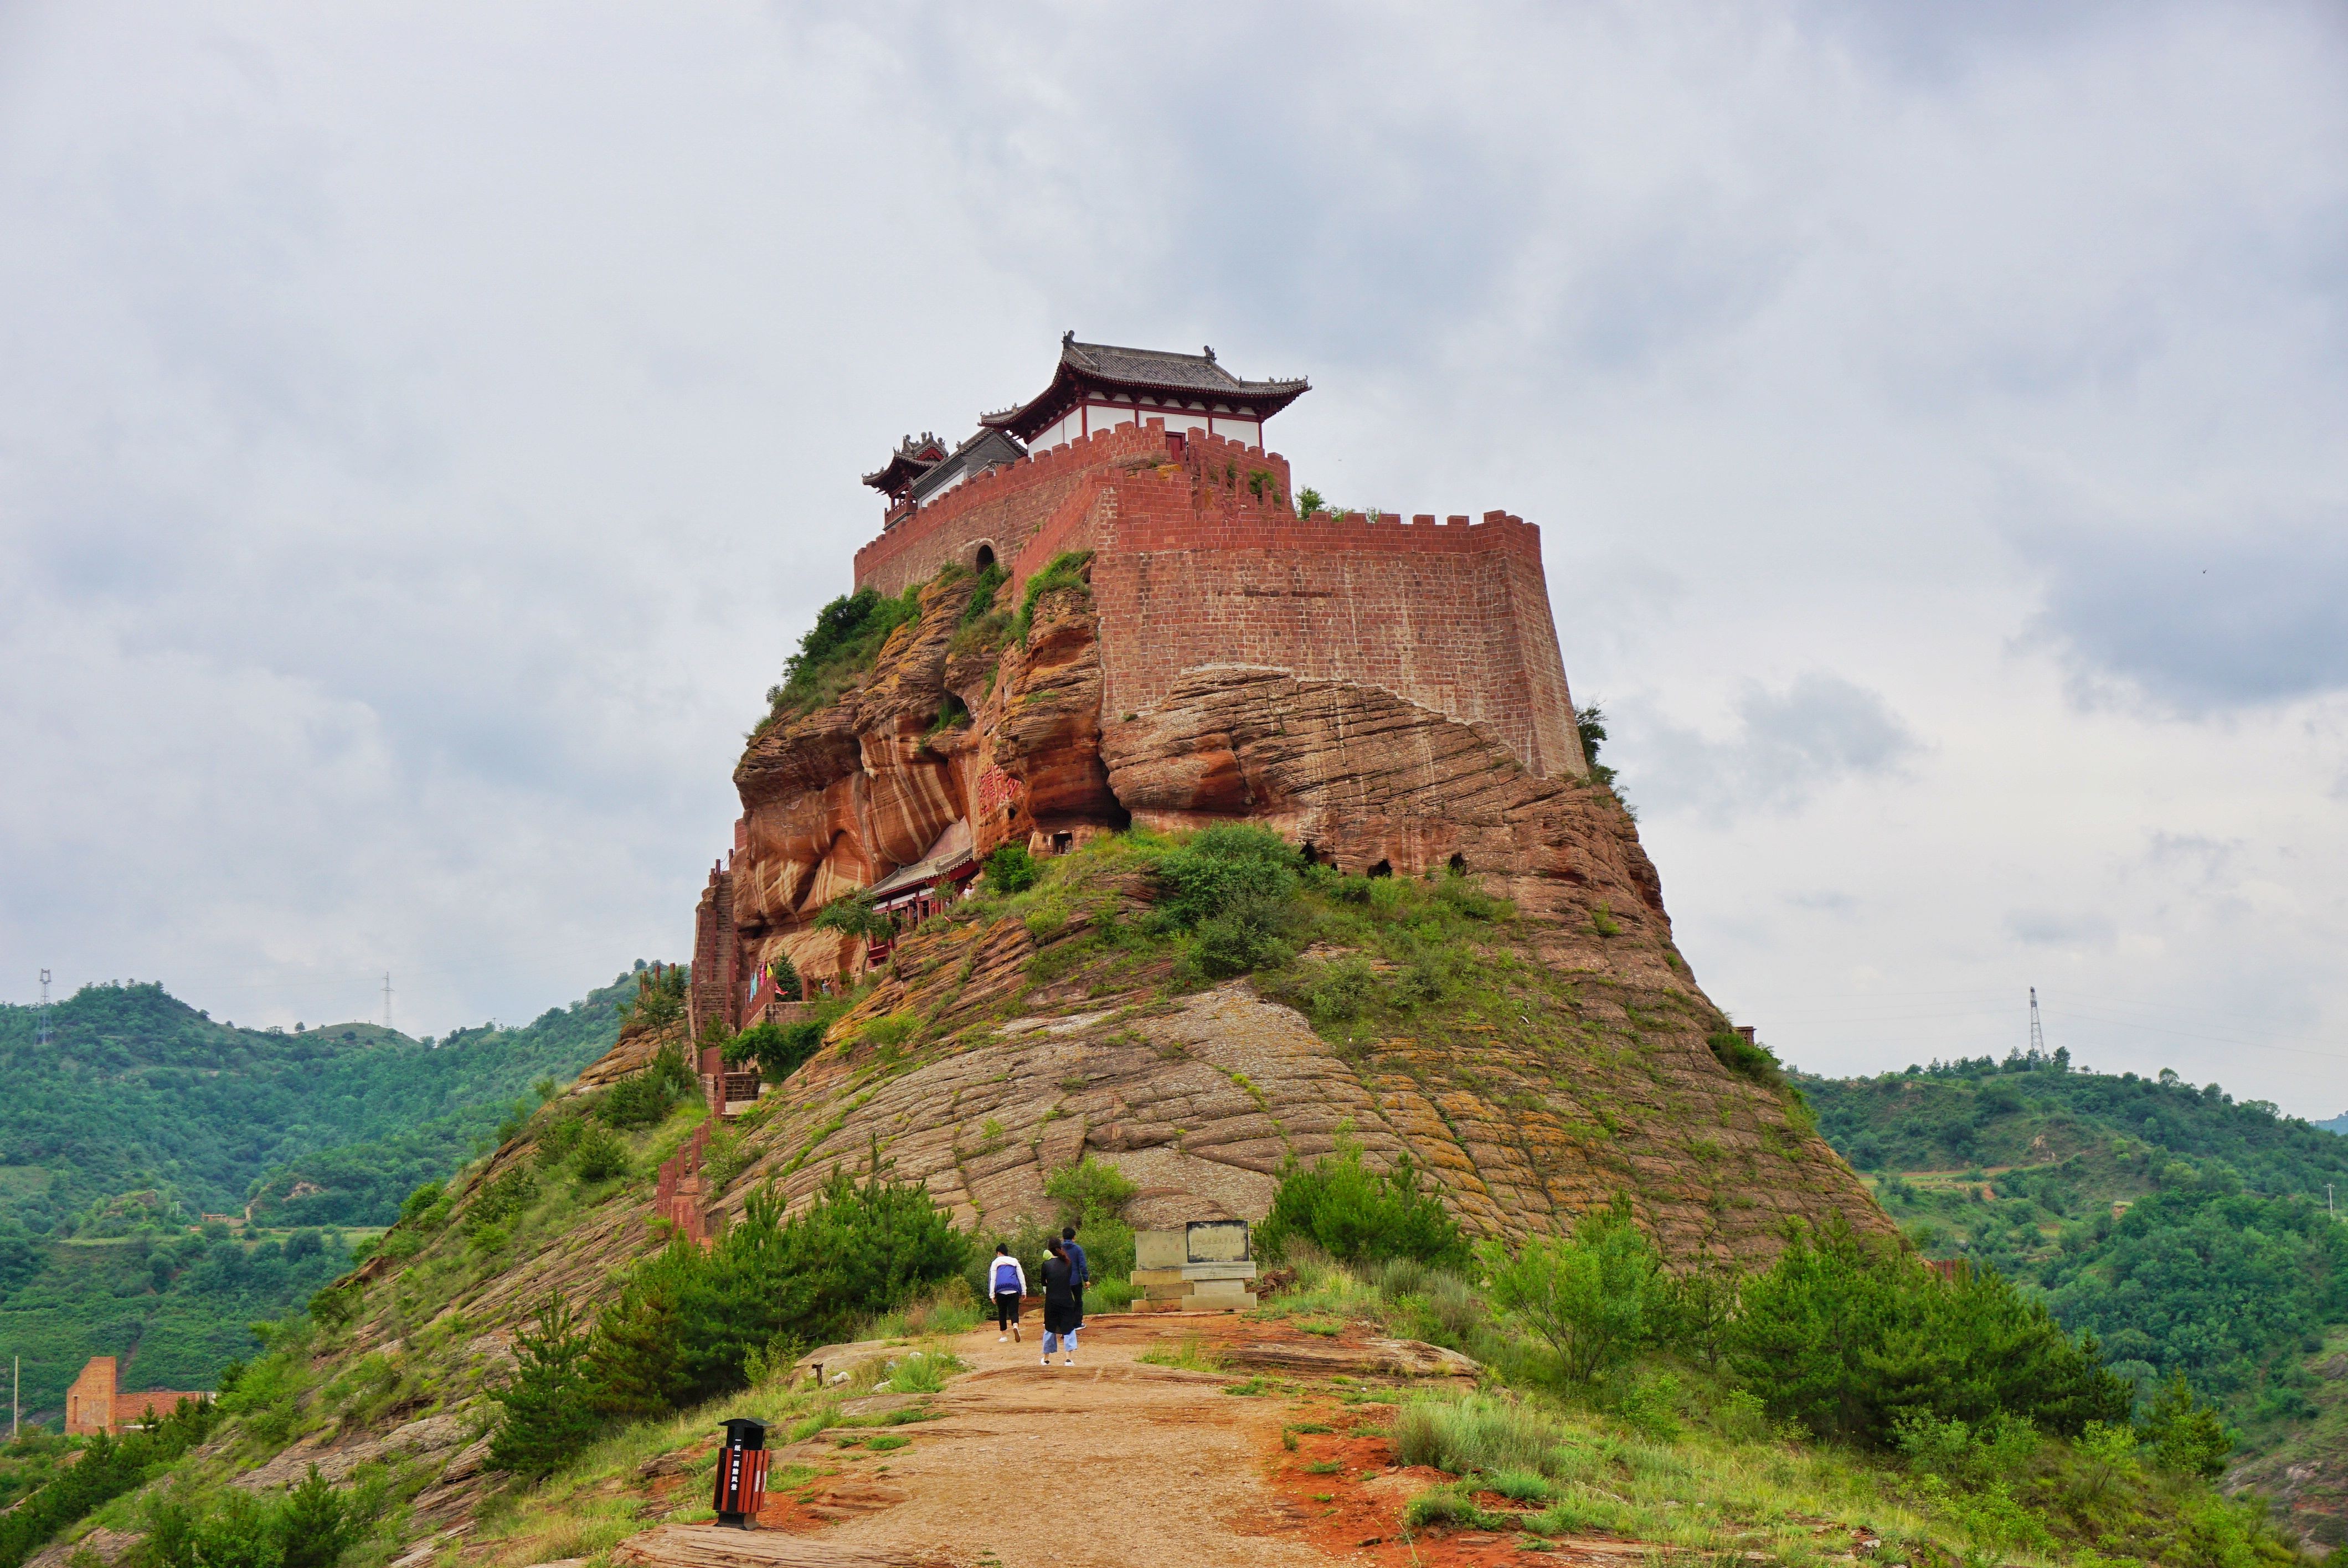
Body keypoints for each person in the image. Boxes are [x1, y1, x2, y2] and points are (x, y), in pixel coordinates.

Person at [1039, 1238, 1079, 1366]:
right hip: (1067, 1300)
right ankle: (1069, 1359)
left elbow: (1043, 1282)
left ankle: (1046, 1359)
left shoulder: (1046, 1265)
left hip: (1052, 1301)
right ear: (1060, 1248)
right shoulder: (1068, 1263)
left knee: (1050, 1328)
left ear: (1049, 1249)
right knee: (1069, 1328)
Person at [988, 1242, 1027, 1343]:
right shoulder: (1014, 1261)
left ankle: (1004, 1336)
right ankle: (1015, 1326)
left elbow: (993, 1279)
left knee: (1002, 1313)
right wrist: (1024, 1291)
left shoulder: (996, 1262)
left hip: (1001, 1290)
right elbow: (1021, 1276)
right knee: (1014, 1311)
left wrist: (992, 1294)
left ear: (999, 1253)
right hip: (1013, 1289)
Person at [1060, 1224, 1090, 1327]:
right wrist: (1086, 1279)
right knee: (1078, 1301)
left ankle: (1067, 1323)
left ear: (1063, 1238)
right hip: (1076, 1279)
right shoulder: (1078, 1249)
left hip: (1063, 1280)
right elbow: (1083, 1265)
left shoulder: (1059, 1249)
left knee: (1066, 1301)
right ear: (1074, 1238)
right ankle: (1077, 1323)